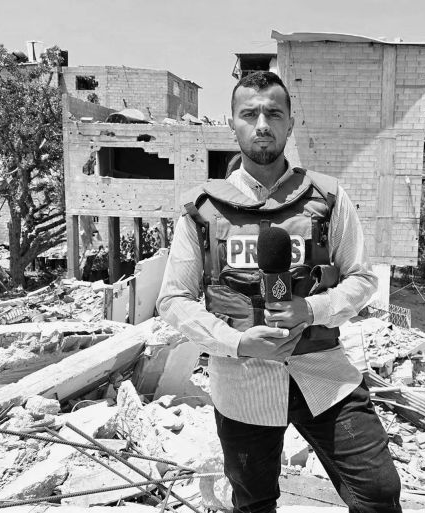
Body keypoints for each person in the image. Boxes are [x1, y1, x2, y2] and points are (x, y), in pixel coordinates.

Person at [156, 71, 401, 513]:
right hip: (242, 385)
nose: (262, 124)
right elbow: (174, 299)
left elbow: (362, 278)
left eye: (273, 113)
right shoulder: (201, 211)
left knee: (379, 492)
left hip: (323, 373)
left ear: (290, 123)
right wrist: (236, 341)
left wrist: (311, 308)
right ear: (232, 123)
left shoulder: (327, 197)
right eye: (249, 114)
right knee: (254, 504)